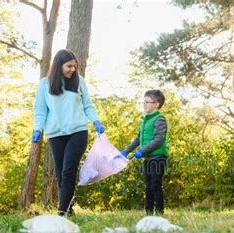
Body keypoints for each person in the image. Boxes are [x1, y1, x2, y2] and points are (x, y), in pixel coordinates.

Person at [31, 49, 105, 216]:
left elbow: (88, 105)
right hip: (55, 133)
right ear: (59, 65)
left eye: (74, 66)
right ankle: (68, 207)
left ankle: (61, 211)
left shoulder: (79, 81)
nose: (72, 69)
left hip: (77, 131)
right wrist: (37, 129)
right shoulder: (44, 84)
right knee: (60, 172)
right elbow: (40, 110)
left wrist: (96, 121)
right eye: (69, 66)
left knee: (68, 170)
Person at [121, 90, 168, 215]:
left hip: (158, 158)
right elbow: (138, 139)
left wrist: (142, 150)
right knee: (148, 187)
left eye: (147, 102)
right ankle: (148, 213)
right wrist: (127, 150)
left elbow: (158, 140)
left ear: (156, 104)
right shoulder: (145, 120)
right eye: (144, 102)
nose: (144, 104)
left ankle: (159, 213)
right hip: (147, 159)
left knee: (155, 186)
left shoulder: (160, 119)